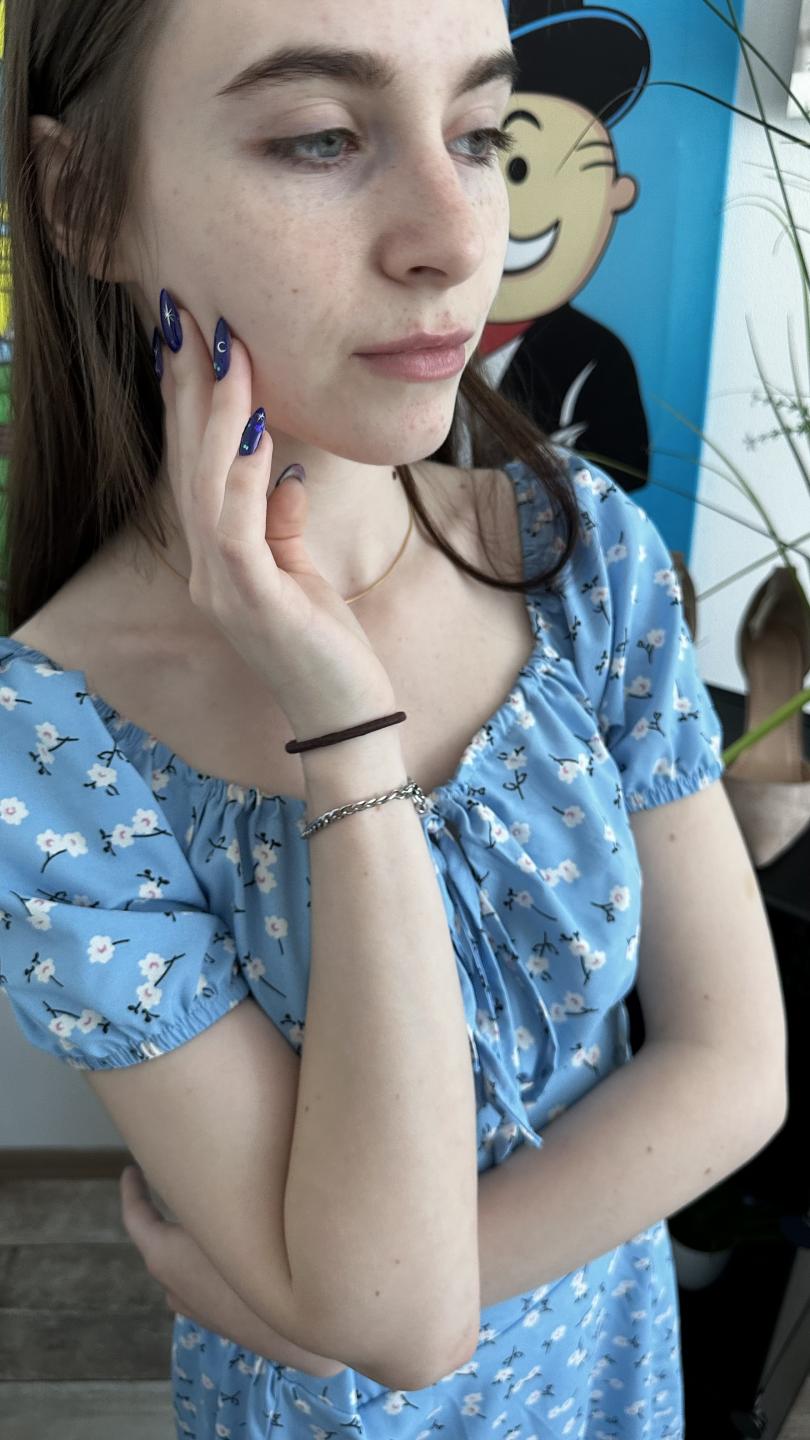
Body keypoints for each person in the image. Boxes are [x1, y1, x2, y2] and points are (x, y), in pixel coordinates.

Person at [0, 1, 788, 1435]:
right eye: (320, 137)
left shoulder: (578, 553)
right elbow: (393, 1327)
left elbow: (736, 1067)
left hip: (605, 1380)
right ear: (81, 200)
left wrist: (331, 1314)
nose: (454, 236)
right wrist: (345, 726)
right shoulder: (51, 748)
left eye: (482, 134)